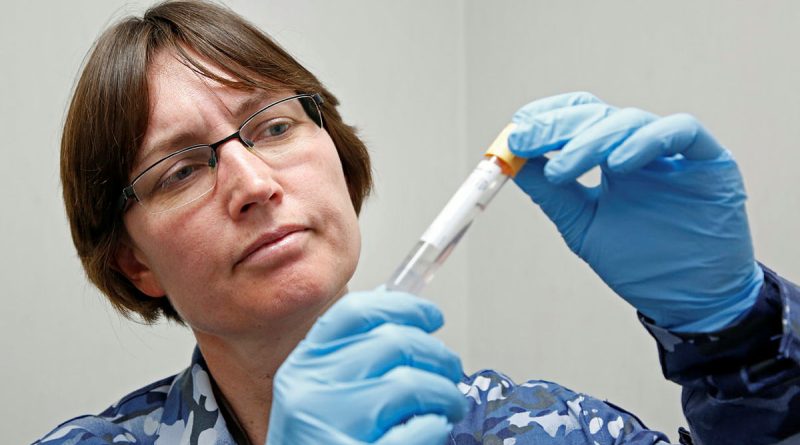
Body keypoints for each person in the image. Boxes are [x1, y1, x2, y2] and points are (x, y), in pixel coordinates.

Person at [37, 1, 800, 444]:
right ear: (133, 262)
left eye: (272, 127)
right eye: (180, 169)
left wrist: (735, 338)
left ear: (334, 150)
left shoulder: (550, 430)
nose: (253, 183)